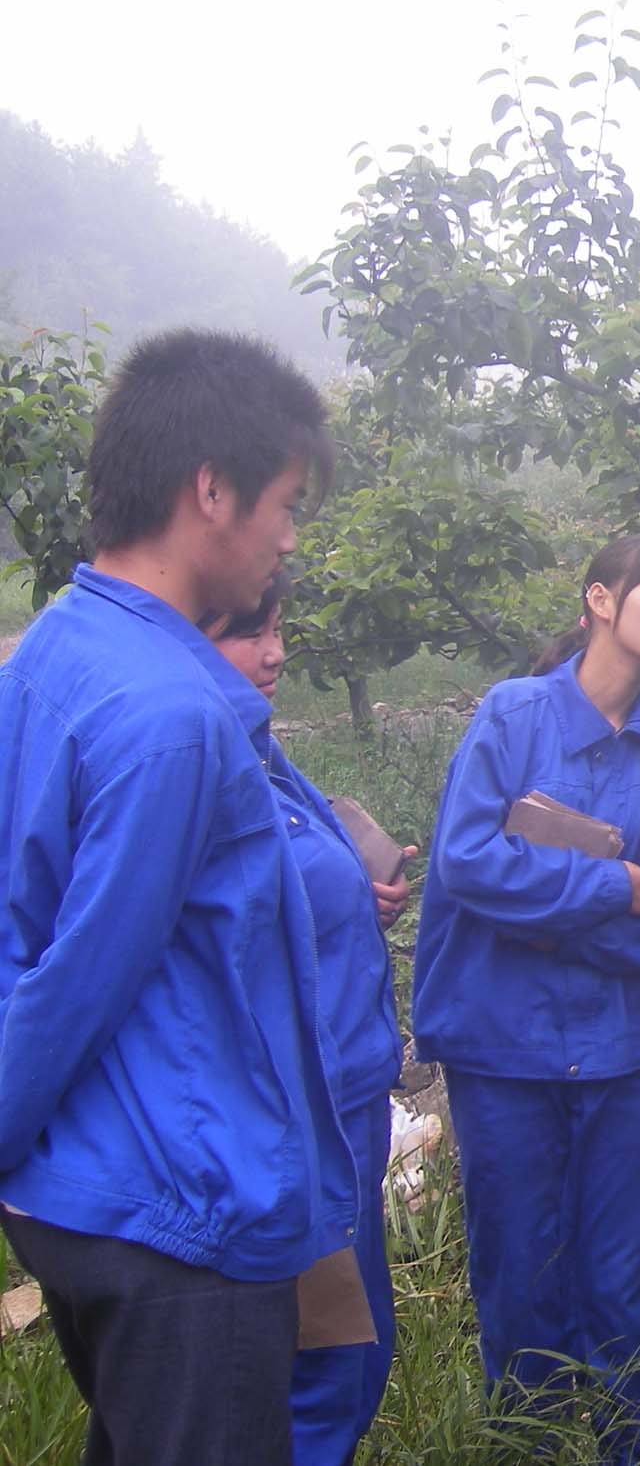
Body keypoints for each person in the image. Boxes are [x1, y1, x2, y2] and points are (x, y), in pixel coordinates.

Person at [0, 329, 355, 1465]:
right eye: (287, 505)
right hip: (182, 1211)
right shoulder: (172, 718)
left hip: (91, 1191)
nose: (289, 538)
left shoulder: (58, 647)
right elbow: (77, 978)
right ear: (213, 489)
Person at [412, 534, 640, 1465]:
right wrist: (599, 891)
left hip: (621, 1054)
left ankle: (630, 1447)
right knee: (521, 1276)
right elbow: (467, 861)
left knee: (626, 1279)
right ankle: (533, 1446)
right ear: (599, 599)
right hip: (504, 1049)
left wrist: (541, 916)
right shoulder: (514, 718)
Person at [206, 571, 415, 1466]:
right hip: (292, 1119)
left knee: (357, 1352)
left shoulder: (259, 751)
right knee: (324, 1367)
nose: (276, 651)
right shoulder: (194, 769)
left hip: (348, 1100)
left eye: (279, 629)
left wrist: (358, 895)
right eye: (249, 632)